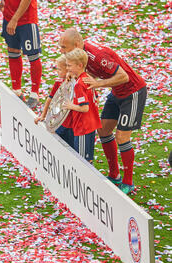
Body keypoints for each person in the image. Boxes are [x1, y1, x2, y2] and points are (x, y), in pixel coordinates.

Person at [59, 28, 147, 194]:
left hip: (133, 92)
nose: (61, 51)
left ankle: (128, 182)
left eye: (64, 47)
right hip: (117, 92)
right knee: (104, 130)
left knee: (122, 136)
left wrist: (98, 84)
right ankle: (114, 175)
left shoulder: (97, 56)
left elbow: (124, 77)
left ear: (77, 44)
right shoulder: (80, 56)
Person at [61, 48, 101, 163]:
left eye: (69, 66)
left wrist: (70, 105)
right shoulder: (88, 78)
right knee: (87, 158)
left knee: (82, 161)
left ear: (79, 65)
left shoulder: (79, 85)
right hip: (91, 123)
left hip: (83, 126)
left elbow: (85, 108)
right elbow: (96, 99)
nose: (67, 69)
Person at [0, 0, 42, 108]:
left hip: (26, 20)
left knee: (33, 55)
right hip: (8, 16)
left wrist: (15, 19)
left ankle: (34, 93)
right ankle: (17, 91)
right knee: (13, 51)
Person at [34, 55, 73, 147]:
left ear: (67, 70)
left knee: (72, 148)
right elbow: (50, 99)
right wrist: (43, 116)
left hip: (72, 123)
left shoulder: (76, 84)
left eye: (59, 69)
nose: (57, 72)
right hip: (59, 121)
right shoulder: (58, 83)